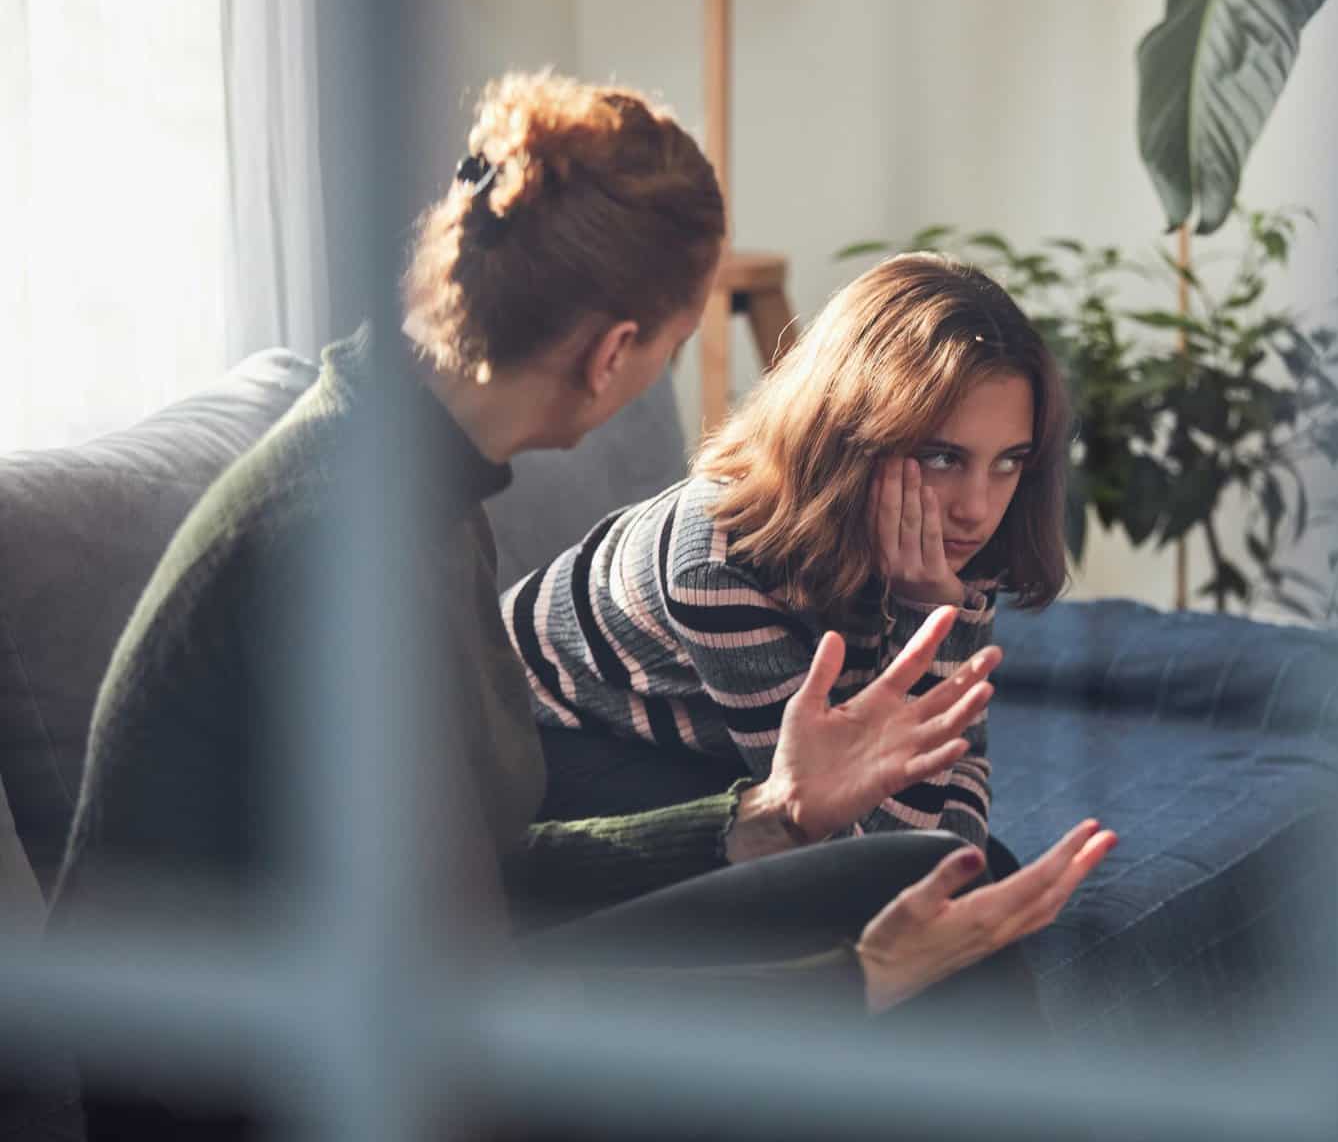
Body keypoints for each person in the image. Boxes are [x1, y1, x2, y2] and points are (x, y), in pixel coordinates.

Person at [49, 71, 1113, 1138]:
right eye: (674, 340)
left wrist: (769, 814)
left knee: (939, 878)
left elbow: (490, 872)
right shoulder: (341, 548)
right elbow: (454, 1002)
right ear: (614, 355)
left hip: (393, 985)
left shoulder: (411, 478)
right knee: (923, 958)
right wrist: (853, 977)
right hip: (263, 1080)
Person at [505, 252, 1070, 863]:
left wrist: (932, 609)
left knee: (983, 871)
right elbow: (858, 848)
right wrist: (926, 615)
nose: (977, 508)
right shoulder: (718, 562)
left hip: (722, 749)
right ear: (853, 435)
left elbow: (954, 786)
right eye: (942, 458)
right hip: (547, 746)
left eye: (1009, 460)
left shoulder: (954, 537)